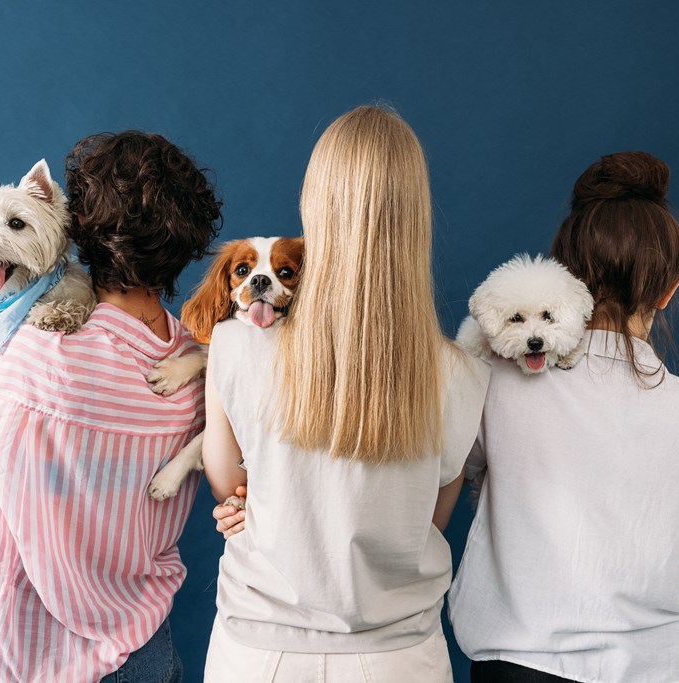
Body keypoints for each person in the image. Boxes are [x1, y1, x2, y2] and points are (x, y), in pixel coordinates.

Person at [200, 105, 491, 682]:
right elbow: (431, 516)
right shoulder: (461, 372)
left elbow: (225, 476)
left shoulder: (235, 344)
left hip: (259, 653)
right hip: (400, 658)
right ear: (416, 218)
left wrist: (256, 505)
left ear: (315, 204)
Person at [0, 130, 222, 682]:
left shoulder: (30, 347)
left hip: (17, 633)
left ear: (75, 227)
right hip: (138, 640)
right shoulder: (203, 366)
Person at [448, 151, 679, 683]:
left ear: (568, 279)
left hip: (520, 667)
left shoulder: (491, 378)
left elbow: (430, 492)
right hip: (661, 668)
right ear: (668, 288)